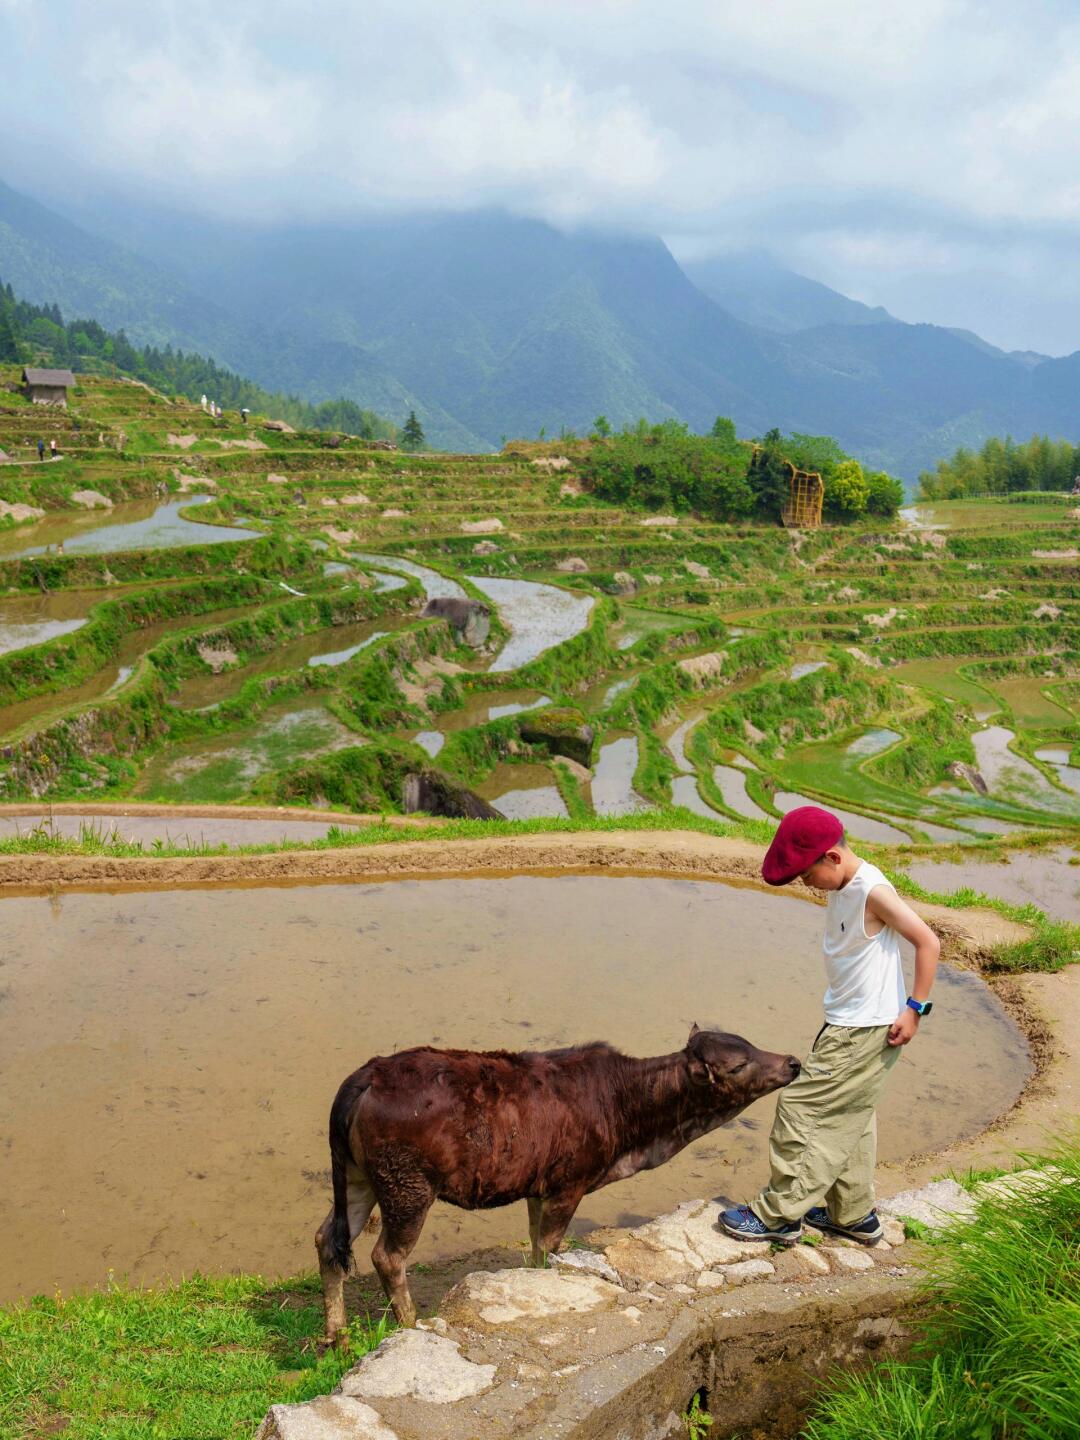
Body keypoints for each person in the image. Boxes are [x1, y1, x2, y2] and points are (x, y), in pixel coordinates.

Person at [720, 806, 939, 1246]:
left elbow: (928, 941)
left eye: (807, 875)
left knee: (802, 1111)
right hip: (849, 1023)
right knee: (851, 1118)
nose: (807, 884)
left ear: (833, 859)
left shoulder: (871, 890)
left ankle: (779, 1216)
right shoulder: (845, 885)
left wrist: (914, 1008)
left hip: (863, 1030)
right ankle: (853, 1216)